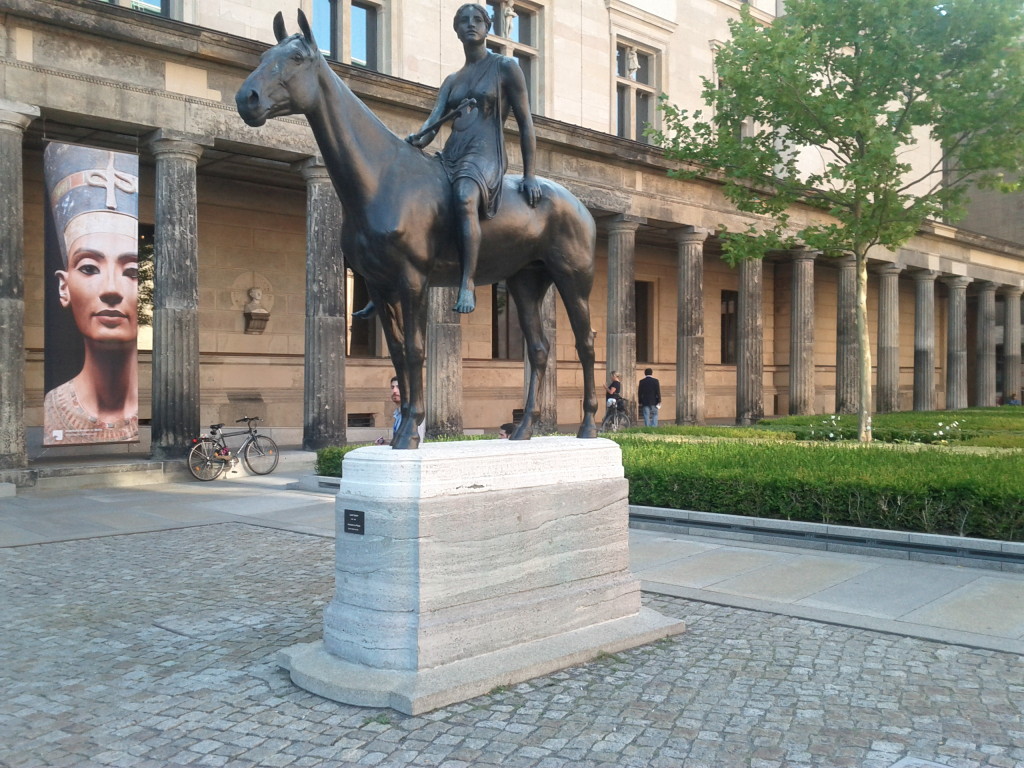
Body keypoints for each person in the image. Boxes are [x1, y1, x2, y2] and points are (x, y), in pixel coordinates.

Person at [406, 2, 541, 315]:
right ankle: (398, 272)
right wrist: (414, 141)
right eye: (463, 21)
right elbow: (431, 125)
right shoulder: (452, 80)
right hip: (453, 151)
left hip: (486, 152)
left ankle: (467, 282)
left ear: (487, 27)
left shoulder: (505, 67)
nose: (470, 24)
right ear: (456, 30)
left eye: (477, 19)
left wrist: (530, 174)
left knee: (465, 196)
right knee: (415, 197)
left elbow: (525, 123)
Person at [42, 143, 140, 446]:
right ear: (63, 286)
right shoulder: (51, 406)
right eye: (89, 268)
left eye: (132, 272)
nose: (111, 290)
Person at [377, 376, 426, 444]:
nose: (394, 391)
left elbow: (414, 443)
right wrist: (385, 443)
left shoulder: (414, 413)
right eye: (392, 387)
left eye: (399, 387)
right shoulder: (397, 413)